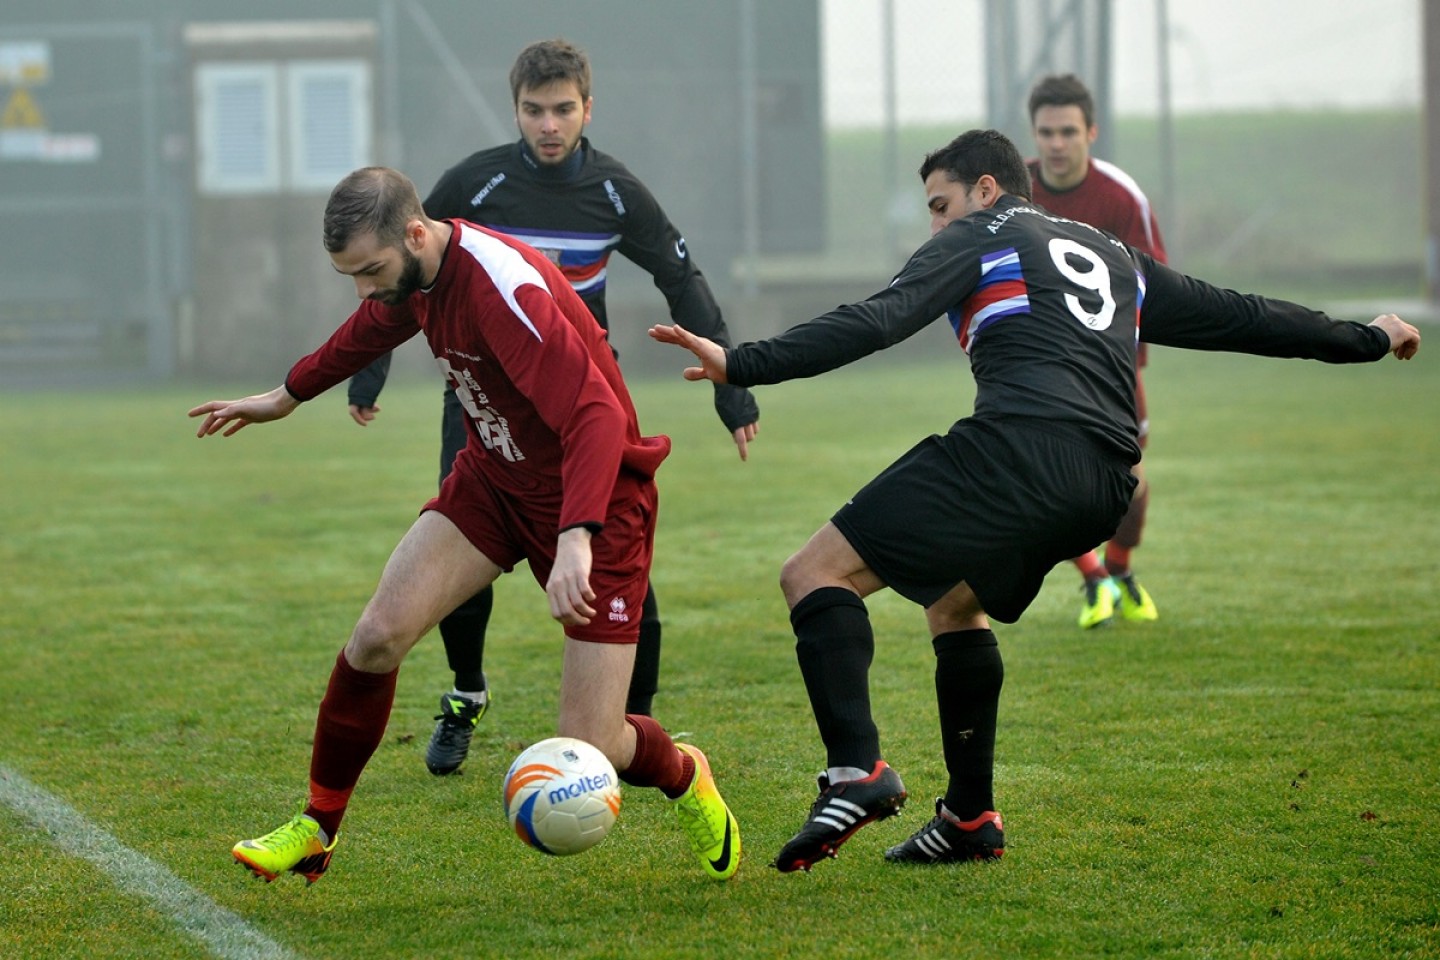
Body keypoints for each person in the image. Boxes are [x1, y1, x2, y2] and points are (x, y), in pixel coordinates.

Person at [650, 129, 1419, 872]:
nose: (933, 223)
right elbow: (1242, 316)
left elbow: (877, 318)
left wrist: (745, 361)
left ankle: (856, 771)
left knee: (812, 573)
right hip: (1105, 481)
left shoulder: (982, 233)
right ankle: (969, 820)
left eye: (939, 203)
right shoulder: (1113, 255)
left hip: (1018, 450)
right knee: (954, 603)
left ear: (985, 189)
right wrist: (1367, 337)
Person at [191, 166, 741, 884]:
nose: (364, 287)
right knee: (377, 637)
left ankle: (685, 775)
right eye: (349, 274)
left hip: (596, 498)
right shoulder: (416, 275)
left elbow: (596, 415)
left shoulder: (500, 290)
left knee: (595, 742)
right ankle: (317, 828)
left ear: (415, 233)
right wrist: (286, 395)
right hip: (494, 483)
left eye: (370, 269)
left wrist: (575, 535)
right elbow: (370, 326)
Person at [347, 39, 760, 777]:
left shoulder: (614, 193)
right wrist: (368, 372)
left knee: (619, 575)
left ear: (587, 110)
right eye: (534, 110)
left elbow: (680, 274)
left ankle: (632, 728)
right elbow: (398, 273)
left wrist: (734, 386)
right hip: (479, 407)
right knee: (455, 558)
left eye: (563, 110)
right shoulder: (472, 185)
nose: (548, 124)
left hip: (577, 414)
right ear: (516, 111)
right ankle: (466, 693)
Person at [1028, 73, 1168, 630]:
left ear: (1091, 132)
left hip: (1114, 366)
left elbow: (1155, 283)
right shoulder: (1015, 195)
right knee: (1052, 481)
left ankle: (1118, 570)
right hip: (1040, 366)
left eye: (1067, 131)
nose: (1056, 144)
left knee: (1129, 486)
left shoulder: (1119, 196)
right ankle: (1093, 581)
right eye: (1045, 132)